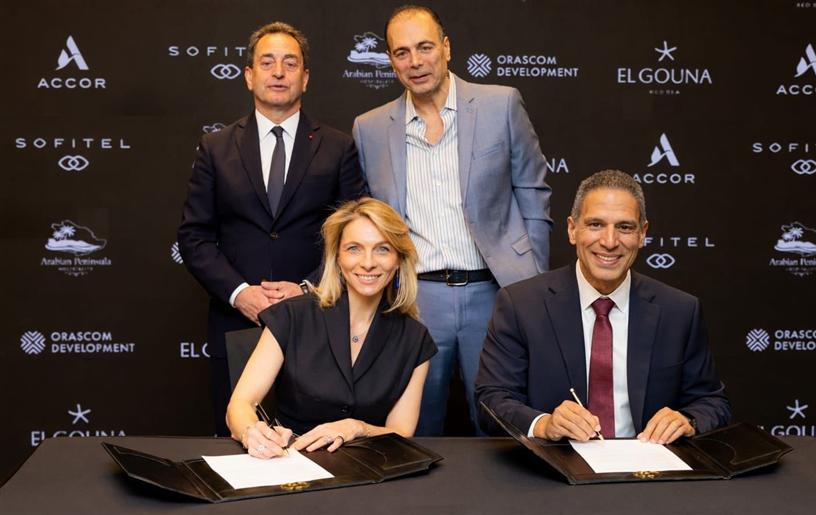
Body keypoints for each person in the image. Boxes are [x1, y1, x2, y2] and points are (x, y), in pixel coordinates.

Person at [352, 5, 552, 435]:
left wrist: (531, 277)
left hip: (496, 293)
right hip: (416, 299)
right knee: (415, 426)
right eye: (402, 52)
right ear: (391, 61)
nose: (415, 61)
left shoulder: (501, 104)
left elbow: (533, 192)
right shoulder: (369, 128)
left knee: (502, 423)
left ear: (446, 48)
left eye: (425, 47)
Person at [177, 21, 366, 436]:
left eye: (290, 63)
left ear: (305, 77)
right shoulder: (216, 147)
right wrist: (240, 293)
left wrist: (309, 288)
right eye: (267, 63)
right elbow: (194, 237)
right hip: (237, 323)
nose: (279, 72)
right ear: (249, 75)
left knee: (319, 446)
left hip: (318, 322)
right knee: (243, 440)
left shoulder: (338, 147)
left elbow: (355, 238)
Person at [475, 170, 730, 444]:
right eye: (595, 224)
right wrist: (544, 424)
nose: (609, 242)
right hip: (556, 463)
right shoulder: (521, 305)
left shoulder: (679, 311)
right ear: (572, 230)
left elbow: (712, 402)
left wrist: (687, 420)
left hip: (648, 465)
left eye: (625, 227)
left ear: (642, 234)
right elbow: (492, 400)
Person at [227, 198, 436, 458]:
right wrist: (252, 432)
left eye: (382, 249)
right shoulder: (292, 316)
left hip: (368, 467)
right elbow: (240, 405)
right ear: (337, 257)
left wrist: (357, 428)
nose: (368, 262)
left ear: (398, 259)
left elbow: (401, 433)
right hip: (291, 462)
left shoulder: (415, 338)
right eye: (354, 248)